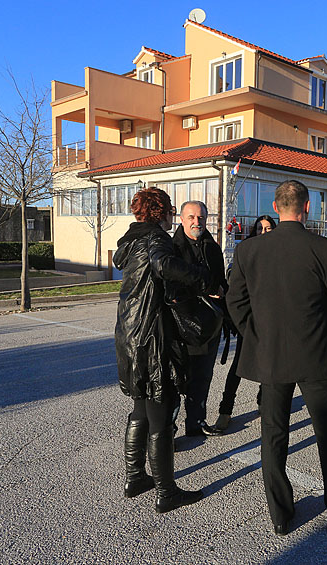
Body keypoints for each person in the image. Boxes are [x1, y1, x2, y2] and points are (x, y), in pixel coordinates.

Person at [226, 180, 327, 535]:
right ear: (306, 208)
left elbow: (235, 302)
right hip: (316, 356)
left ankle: (280, 514)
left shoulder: (249, 250)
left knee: (273, 435)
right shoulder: (323, 249)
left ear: (276, 207)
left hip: (271, 357)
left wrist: (256, 335)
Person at [114, 187, 209, 513]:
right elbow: (164, 264)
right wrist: (201, 277)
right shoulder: (155, 240)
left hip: (131, 336)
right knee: (160, 414)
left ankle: (135, 476)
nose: (171, 216)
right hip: (152, 338)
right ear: (162, 212)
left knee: (140, 409)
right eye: (169, 210)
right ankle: (167, 492)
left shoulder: (132, 239)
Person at [212, 215, 275, 430]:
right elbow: (236, 292)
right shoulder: (246, 252)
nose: (264, 232)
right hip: (249, 322)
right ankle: (225, 410)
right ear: (254, 231)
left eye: (268, 228)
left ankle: (264, 403)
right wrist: (242, 323)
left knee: (269, 366)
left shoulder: (278, 254)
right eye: (260, 228)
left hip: (270, 321)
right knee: (238, 367)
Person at [171, 201, 227, 438]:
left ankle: (196, 423)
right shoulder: (172, 248)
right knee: (175, 380)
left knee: (203, 376)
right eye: (191, 217)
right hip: (180, 325)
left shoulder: (212, 248)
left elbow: (221, 282)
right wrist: (202, 290)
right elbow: (171, 289)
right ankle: (168, 431)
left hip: (209, 325)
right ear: (181, 219)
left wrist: (222, 291)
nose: (197, 222)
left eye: (201, 218)